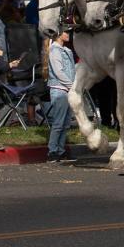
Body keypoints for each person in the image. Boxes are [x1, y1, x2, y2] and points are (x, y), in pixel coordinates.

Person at [45, 28, 76, 162]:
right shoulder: (54, 50)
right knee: (58, 122)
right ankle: (52, 151)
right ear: (58, 34)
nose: (68, 34)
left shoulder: (67, 50)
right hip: (59, 89)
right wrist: (71, 86)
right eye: (66, 32)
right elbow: (58, 71)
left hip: (69, 89)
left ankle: (61, 150)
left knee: (66, 122)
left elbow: (72, 69)